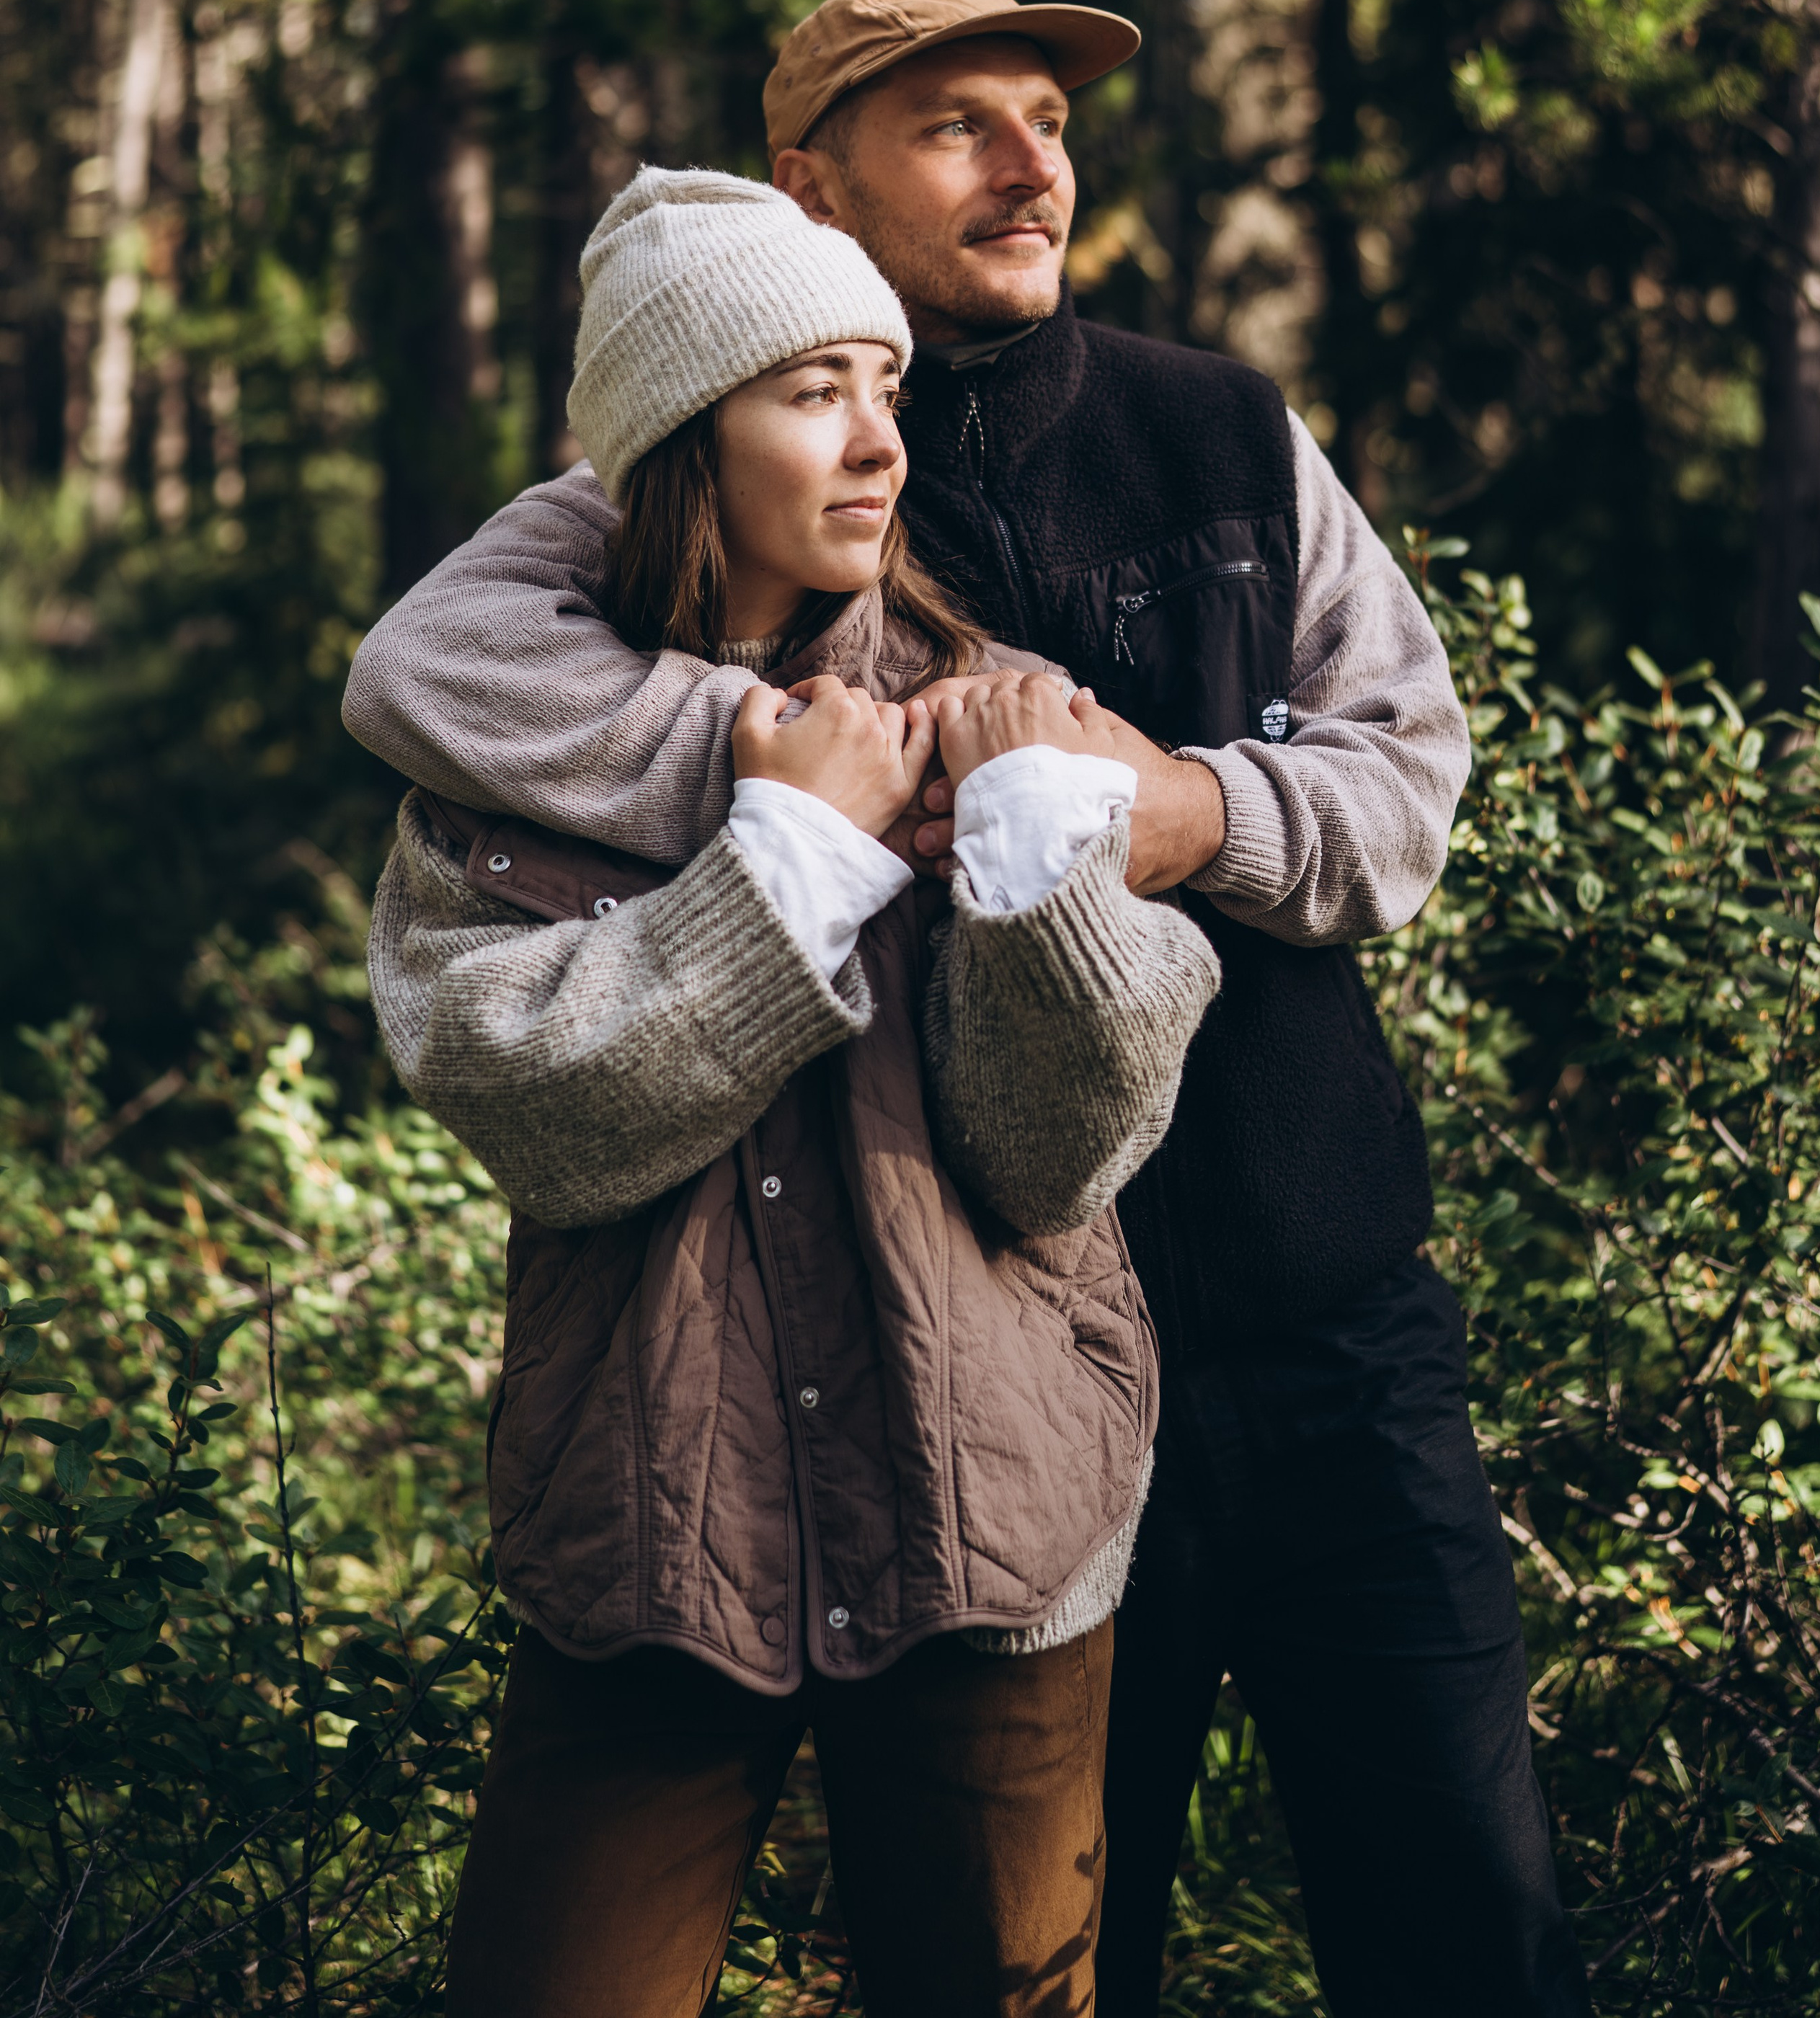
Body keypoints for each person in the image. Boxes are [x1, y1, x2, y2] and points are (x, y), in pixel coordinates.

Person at [347, 0, 1594, 2017]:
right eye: (959, 127)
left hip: (1304, 1324)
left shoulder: (1214, 432)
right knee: (1088, 1946)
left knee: (1468, 1928)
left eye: (1049, 116)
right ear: (809, 190)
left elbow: (1408, 779)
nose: (1036, 164)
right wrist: (777, 766)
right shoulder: (697, 487)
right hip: (977, 1398)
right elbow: (424, 670)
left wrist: (1158, 807)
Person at [365, 163, 1222, 2018]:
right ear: (679, 435)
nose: (875, 441)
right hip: (649, 1542)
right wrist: (788, 864)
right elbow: (534, 1104)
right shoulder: (501, 769)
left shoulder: (1000, 711)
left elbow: (1055, 1151)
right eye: (808, 389)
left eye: (883, 385)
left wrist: (1028, 871)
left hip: (985, 1522)